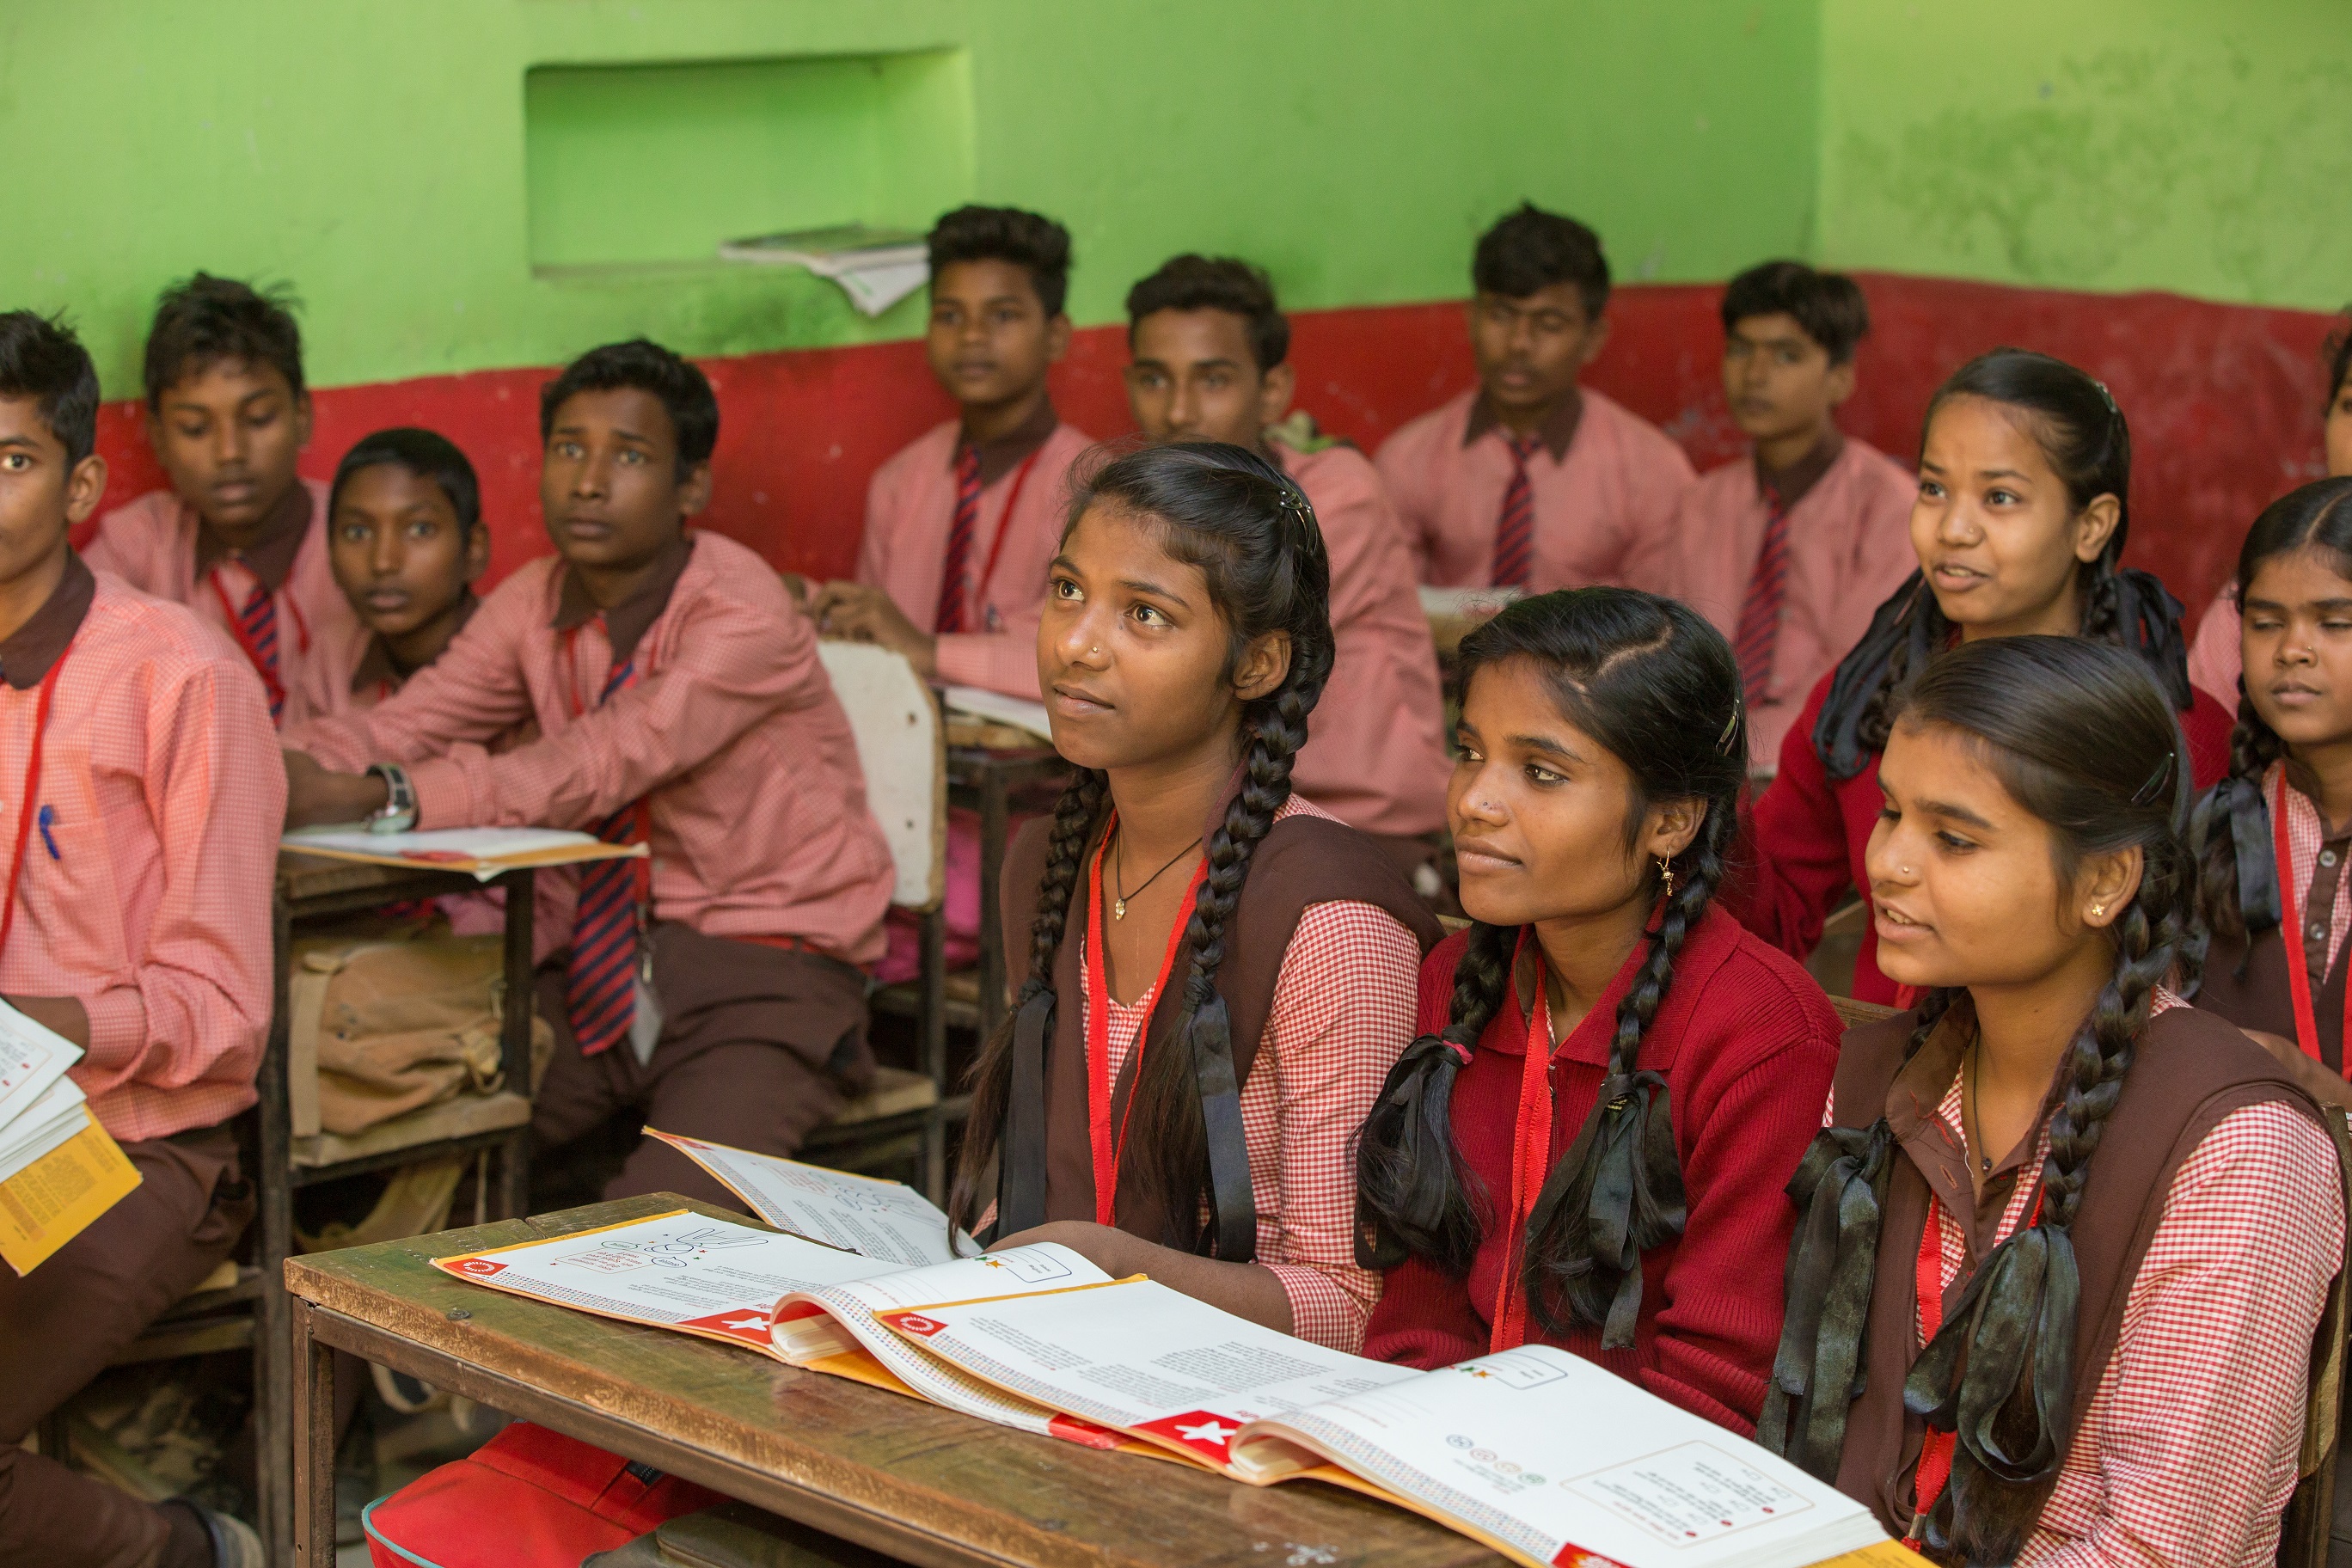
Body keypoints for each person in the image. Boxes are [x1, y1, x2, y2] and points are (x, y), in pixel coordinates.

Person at [1761, 636, 2347, 1567]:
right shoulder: (1873, 1078)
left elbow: (2165, 1552)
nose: (1891, 864)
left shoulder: (2239, 1148)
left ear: (2106, 881)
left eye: (1954, 837)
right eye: (1892, 815)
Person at [280, 340, 896, 1210]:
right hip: (604, 970)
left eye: (629, 456)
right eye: (569, 449)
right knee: (426, 1164)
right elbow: (411, 719)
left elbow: (604, 757)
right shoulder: (536, 597)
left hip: (766, 974)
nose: (589, 481)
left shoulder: (740, 610)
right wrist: (265, 765)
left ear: (690, 489)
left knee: (657, 1227)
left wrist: (389, 795)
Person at [957, 442, 1443, 1353]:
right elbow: (1040, 1186)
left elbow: (1354, 1304)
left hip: (1243, 1410)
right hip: (1051, 1358)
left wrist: (1112, 1276)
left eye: (1145, 614)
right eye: (1068, 591)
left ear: (1256, 664)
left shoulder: (1329, 923)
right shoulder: (1047, 866)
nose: (1077, 645)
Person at [1354, 589, 1840, 1433]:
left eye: (1541, 773)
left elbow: (1718, 1390)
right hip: (1440, 1468)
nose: (1475, 801)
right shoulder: (1455, 984)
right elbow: (1416, 1313)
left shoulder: (1761, 1034)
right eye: (1470, 752)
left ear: (1672, 820)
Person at [0, 312, 280, 1567]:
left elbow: (224, 1009)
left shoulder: (181, 677)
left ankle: (185, 1553)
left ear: (82, 485)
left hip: (132, 1142)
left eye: (7, 459)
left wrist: (54, 1024)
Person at [1735, 348, 2235, 1004]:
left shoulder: (2176, 730)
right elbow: (1766, 910)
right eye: (1934, 488)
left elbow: (2206, 959)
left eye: (2000, 497)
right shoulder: (1865, 704)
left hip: (2094, 1085)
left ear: (2091, 526)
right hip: (1886, 1076)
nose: (1953, 529)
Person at [1123, 254, 1450, 885]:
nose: (1179, 411)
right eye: (1155, 380)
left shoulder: (1333, 497)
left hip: (1356, 823)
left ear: (1272, 391)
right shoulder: (1140, 511)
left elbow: (1209, 659)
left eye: (1213, 380)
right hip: (1225, 814)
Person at [1629, 262, 1915, 769]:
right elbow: (1675, 651)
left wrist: (1731, 751)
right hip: (1703, 757)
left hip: (1827, 755)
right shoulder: (1702, 503)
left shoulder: (1890, 508)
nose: (1755, 375)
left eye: (1787, 355)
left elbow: (1851, 678)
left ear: (1840, 378)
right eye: (1741, 350)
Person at [812, 205, 1093, 696]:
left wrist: (927, 649)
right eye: (949, 315)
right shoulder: (899, 481)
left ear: (1056, 336)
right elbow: (870, 647)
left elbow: (1085, 654)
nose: (972, 337)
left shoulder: (1098, 488)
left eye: (1002, 314)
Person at [83, 273, 360, 727]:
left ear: (302, 417)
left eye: (258, 418)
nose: (230, 452)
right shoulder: (138, 544)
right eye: (195, 427)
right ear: (159, 438)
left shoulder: (363, 537)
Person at [1375, 204, 1693, 593]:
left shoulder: (1652, 471)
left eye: (1549, 323)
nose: (1519, 344)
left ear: (1593, 339)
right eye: (1502, 315)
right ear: (1471, 318)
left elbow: (1661, 630)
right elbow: (1393, 617)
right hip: (1449, 653)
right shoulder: (1409, 462)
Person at [2190, 477, 2352, 1090]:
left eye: (2334, 623)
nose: (2292, 650)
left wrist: (2320, 1088)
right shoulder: (2206, 831)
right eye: (2266, 623)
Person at [2187, 311, 2352, 707]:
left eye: (2336, 624)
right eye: (2351, 406)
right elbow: (2201, 739)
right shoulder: (2271, 586)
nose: (2292, 648)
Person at [297, 427, 491, 717]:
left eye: (420, 529)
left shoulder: (516, 656)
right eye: (358, 532)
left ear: (473, 550)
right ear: (332, 557)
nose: (383, 562)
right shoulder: (333, 656)